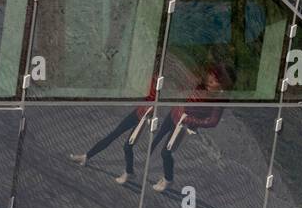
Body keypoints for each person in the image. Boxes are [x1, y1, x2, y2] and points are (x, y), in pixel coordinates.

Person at [70, 63, 230, 191]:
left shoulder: (219, 100)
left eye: (215, 80)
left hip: (179, 122)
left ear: (222, 84)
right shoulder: (197, 85)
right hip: (163, 113)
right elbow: (182, 90)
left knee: (162, 151)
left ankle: (163, 178)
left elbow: (212, 121)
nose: (210, 80)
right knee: (134, 139)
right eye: (210, 76)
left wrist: (191, 120)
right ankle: (88, 156)